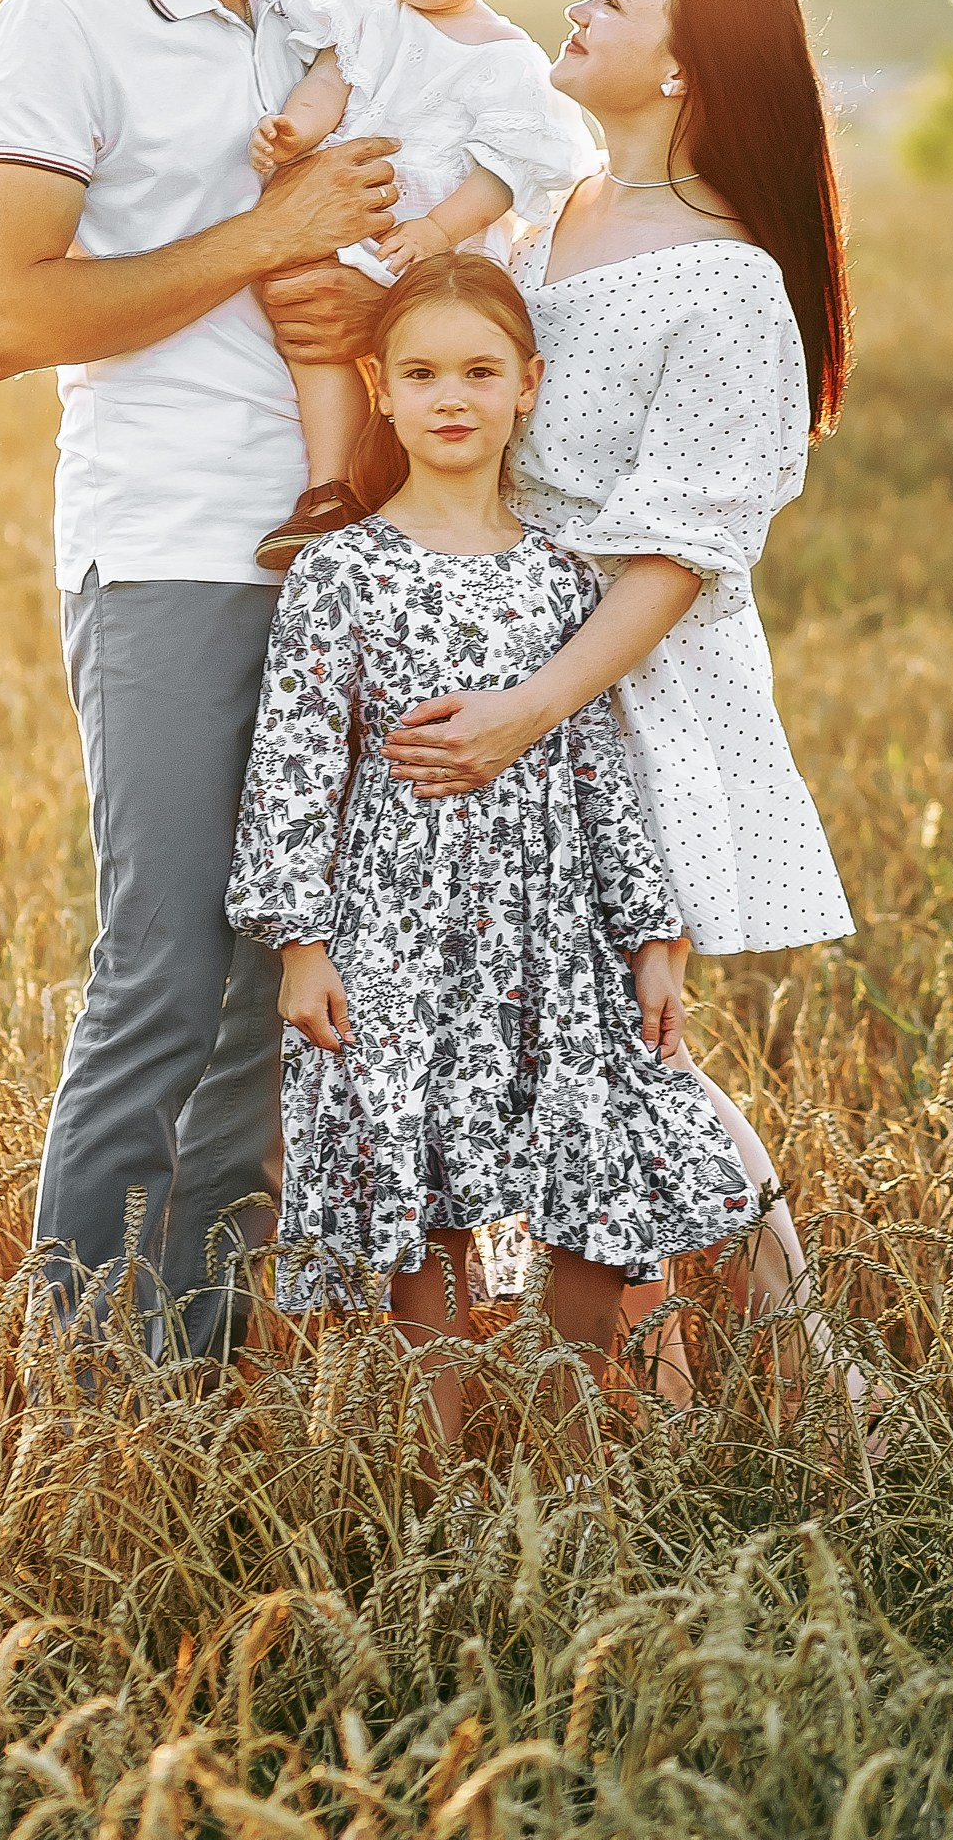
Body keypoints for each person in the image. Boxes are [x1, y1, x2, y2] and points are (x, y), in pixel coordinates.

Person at [0, 0, 396, 1361]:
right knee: (159, 968)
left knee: (269, 994)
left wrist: (350, 307)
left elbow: (353, 267)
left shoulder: (312, 31)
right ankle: (77, 1382)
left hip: (330, 561)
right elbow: (6, 320)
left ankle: (190, 1371)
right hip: (166, 560)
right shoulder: (60, 27)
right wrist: (260, 231)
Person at [377, 0, 857, 1380]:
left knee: (621, 1057)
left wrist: (534, 708)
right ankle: (556, 1357)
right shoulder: (553, 214)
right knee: (524, 1043)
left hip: (619, 695)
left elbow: (679, 555)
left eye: (617, 0)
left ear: (685, 68)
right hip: (515, 667)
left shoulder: (726, 277)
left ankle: (806, 1380)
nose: (581, 13)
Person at [225, 256, 764, 1442]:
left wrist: (650, 937)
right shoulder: (342, 570)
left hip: (548, 942)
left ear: (528, 385)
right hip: (399, 942)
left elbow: (595, 766)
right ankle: (446, 1472)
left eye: (478, 371)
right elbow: (298, 765)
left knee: (552, 1192)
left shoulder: (565, 579)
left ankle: (562, 1470)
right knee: (432, 1209)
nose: (449, 397)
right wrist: (299, 945)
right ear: (375, 387)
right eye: (419, 373)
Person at [248, 0, 594, 572]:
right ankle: (329, 489)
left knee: (430, 372)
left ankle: (428, 513)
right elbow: (329, 83)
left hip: (438, 246)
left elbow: (503, 171)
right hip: (352, 227)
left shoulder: (506, 58)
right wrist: (294, 131)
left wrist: (437, 230)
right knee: (318, 334)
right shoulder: (369, 15)